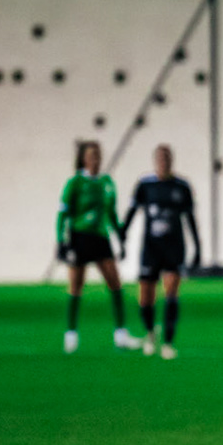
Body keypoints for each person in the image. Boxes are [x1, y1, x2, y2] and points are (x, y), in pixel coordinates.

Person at [57, 140, 142, 354]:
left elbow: (111, 213)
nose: (96, 158)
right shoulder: (75, 183)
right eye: (92, 154)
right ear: (84, 158)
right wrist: (61, 241)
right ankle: (71, 334)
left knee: (115, 283)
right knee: (76, 287)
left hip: (101, 239)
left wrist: (121, 236)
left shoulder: (107, 182)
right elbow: (63, 214)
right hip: (80, 237)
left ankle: (121, 335)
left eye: (98, 154)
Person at [121, 145, 201, 358]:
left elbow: (190, 218)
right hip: (151, 248)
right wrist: (122, 233)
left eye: (167, 158)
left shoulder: (181, 187)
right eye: (160, 159)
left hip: (174, 247)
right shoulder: (145, 185)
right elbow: (132, 211)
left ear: (171, 161)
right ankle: (149, 333)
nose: (163, 162)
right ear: (155, 161)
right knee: (145, 297)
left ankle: (168, 342)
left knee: (171, 293)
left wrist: (198, 246)